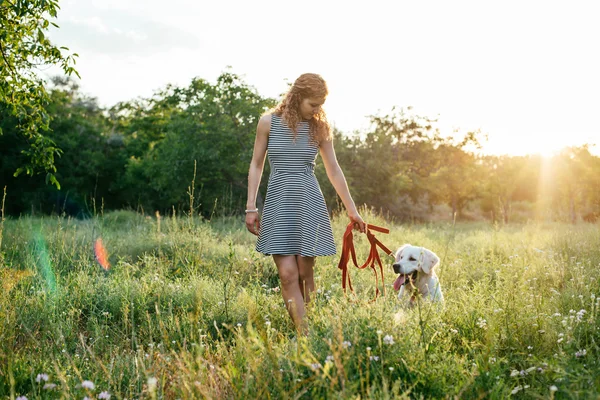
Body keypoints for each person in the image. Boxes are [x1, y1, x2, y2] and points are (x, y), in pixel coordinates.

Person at [245, 73, 365, 334]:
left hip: (307, 200)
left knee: (304, 272)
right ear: (297, 97)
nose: (317, 109)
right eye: (313, 104)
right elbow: (256, 164)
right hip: (278, 201)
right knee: (287, 274)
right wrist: (251, 206)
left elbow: (334, 169)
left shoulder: (319, 127)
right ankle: (305, 335)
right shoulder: (268, 123)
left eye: (321, 104)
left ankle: (311, 329)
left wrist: (352, 210)